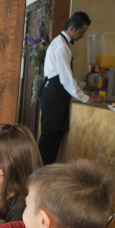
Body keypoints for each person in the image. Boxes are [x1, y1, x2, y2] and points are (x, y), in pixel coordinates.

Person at [38, 12, 103, 165]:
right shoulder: (61, 46)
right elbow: (65, 79)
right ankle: (37, 180)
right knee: (49, 142)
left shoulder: (63, 43)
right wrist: (87, 98)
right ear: (72, 28)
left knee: (51, 141)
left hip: (54, 94)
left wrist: (83, 85)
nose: (82, 35)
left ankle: (40, 178)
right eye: (82, 32)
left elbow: (64, 75)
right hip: (53, 96)